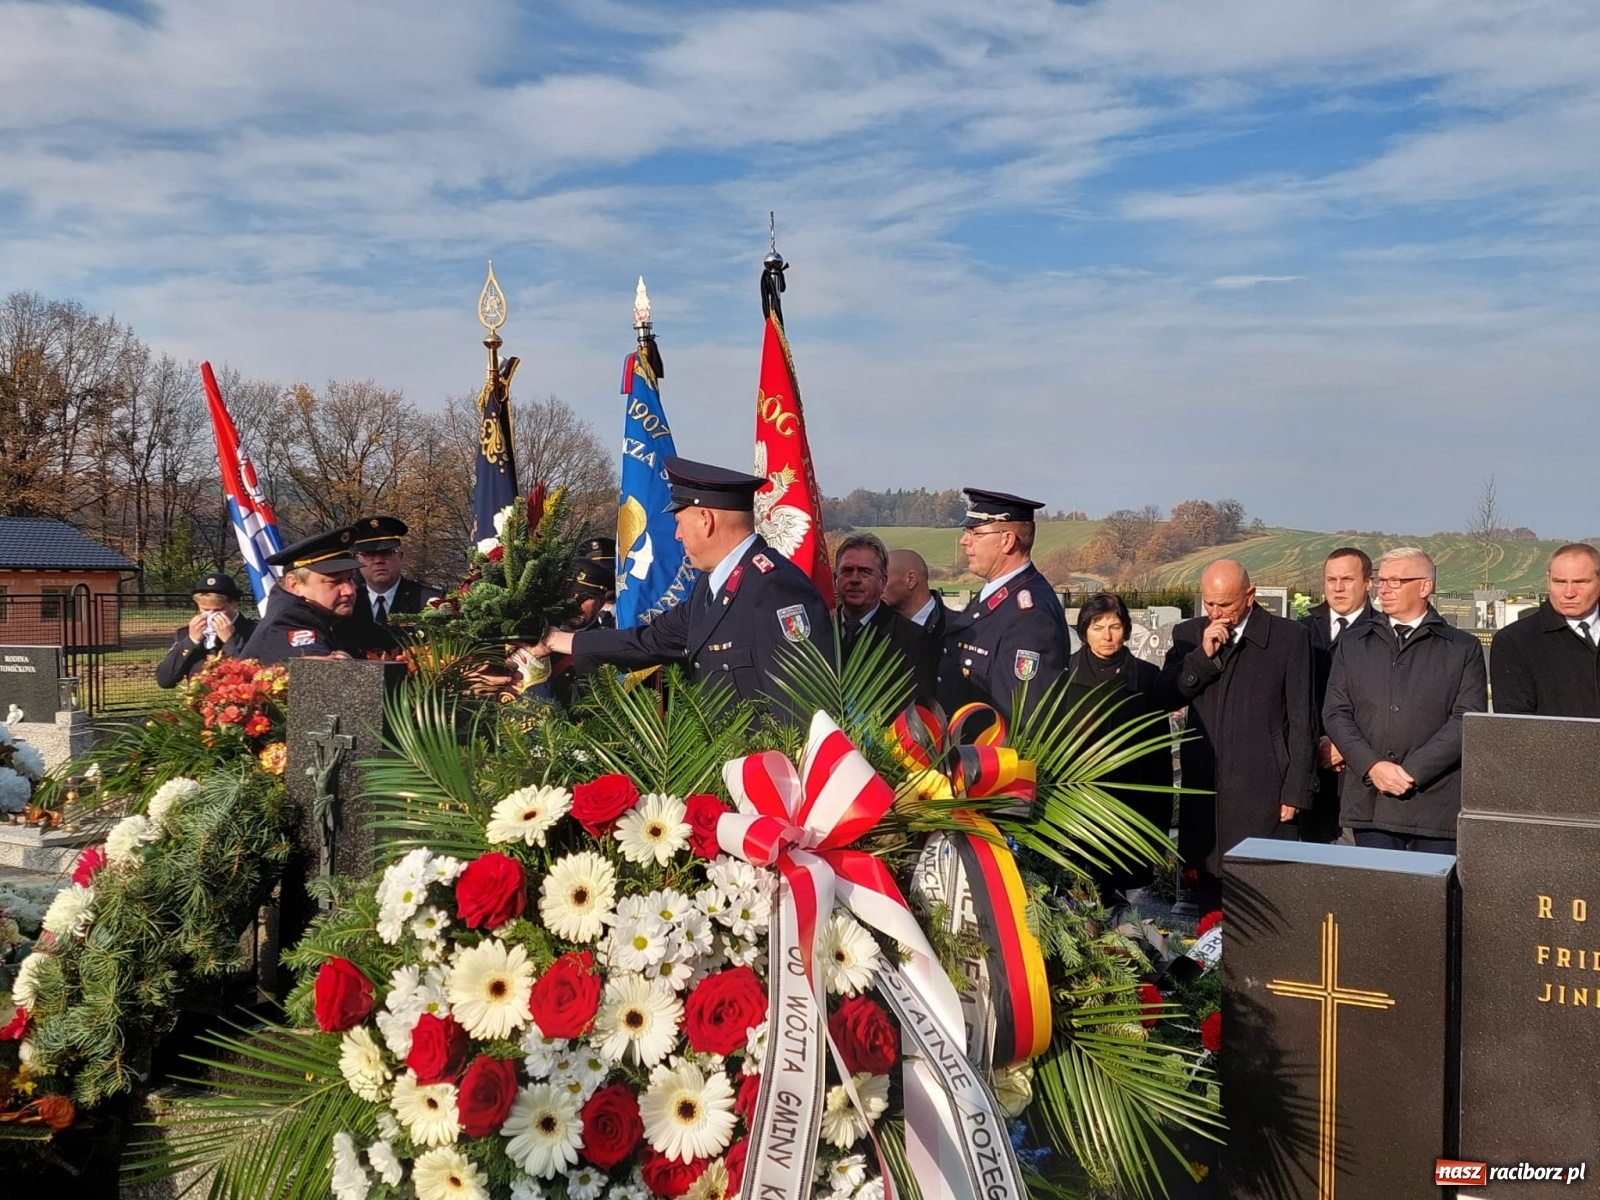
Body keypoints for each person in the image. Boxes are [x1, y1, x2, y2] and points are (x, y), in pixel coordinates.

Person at [539, 457, 832, 715]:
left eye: (679, 522)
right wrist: (553, 640)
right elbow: (649, 641)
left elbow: (801, 709)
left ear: (705, 519)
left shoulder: (774, 588)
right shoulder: (708, 587)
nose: (677, 536)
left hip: (763, 773)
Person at [1161, 559, 1315, 895]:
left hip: (1264, 792)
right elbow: (1165, 695)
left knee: (1263, 901)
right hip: (1206, 790)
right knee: (1209, 910)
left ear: (1249, 595)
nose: (1216, 613)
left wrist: (1296, 790)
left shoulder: (1289, 639)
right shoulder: (1188, 634)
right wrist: (1202, 658)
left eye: (1225, 604)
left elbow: (1304, 722)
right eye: (1208, 603)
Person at [1323, 547, 1487, 853]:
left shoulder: (1461, 648)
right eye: (1381, 580)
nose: (1383, 589)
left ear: (1425, 586)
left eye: (1395, 581)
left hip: (1434, 805)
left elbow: (1466, 718)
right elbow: (1336, 712)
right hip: (1371, 804)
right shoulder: (1354, 644)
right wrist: (1372, 766)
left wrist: (1412, 771)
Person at [1064, 592, 1175, 895]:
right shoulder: (1063, 675)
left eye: (1114, 626)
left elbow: (1159, 757)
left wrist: (1157, 829)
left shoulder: (1146, 677)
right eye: (1097, 627)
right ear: (1084, 630)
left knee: (1123, 900)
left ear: (1125, 629)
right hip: (1077, 804)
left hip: (1130, 806)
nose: (1107, 636)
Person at [936, 488, 1069, 725]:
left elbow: (1022, 720)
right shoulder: (997, 595)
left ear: (1007, 541)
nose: (964, 541)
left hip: (985, 759)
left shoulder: (1029, 616)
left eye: (975, 533)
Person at [1298, 547, 1376, 842]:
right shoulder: (1300, 632)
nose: (1338, 588)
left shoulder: (1382, 634)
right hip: (1309, 772)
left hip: (1359, 774)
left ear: (1368, 583)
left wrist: (1345, 745)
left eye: (1347, 579)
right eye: (1331, 580)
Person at [241, 527, 381, 666]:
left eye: (350, 579)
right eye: (334, 581)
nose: (349, 590)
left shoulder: (326, 613)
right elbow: (319, 674)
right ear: (294, 585)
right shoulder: (290, 620)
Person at [1490, 542, 1600, 717]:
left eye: (1580, 582)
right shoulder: (1515, 641)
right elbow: (1516, 726)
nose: (1569, 592)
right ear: (1548, 581)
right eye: (1559, 582)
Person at [834, 533, 938, 701]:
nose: (854, 579)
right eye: (846, 571)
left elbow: (915, 712)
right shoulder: (819, 630)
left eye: (865, 572)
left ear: (883, 582)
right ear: (835, 579)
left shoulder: (911, 639)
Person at [155, 572, 257, 688]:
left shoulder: (255, 630)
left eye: (218, 610)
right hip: (202, 703)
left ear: (234, 604)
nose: (211, 615)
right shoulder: (185, 633)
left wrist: (231, 641)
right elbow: (165, 680)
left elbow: (257, 676)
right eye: (205, 610)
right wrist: (191, 641)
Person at [350, 515, 443, 621]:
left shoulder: (429, 600)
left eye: (387, 553)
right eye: (370, 554)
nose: (378, 561)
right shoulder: (349, 602)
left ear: (400, 556)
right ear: (357, 560)